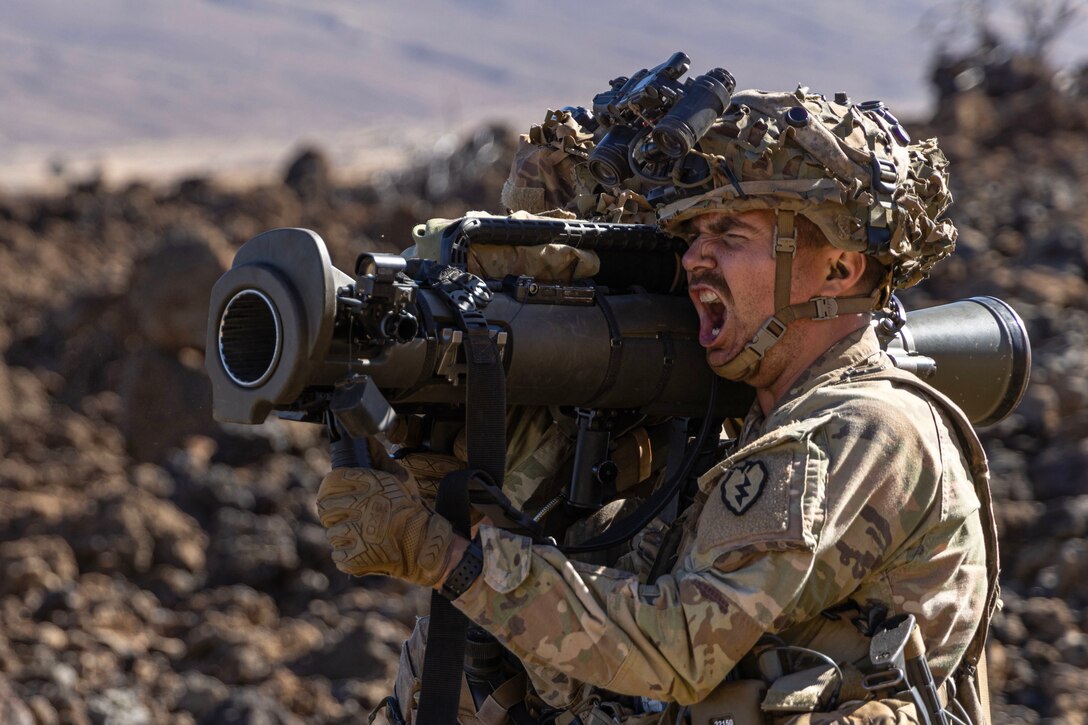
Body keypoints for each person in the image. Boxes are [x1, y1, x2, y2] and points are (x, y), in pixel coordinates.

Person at [315, 85, 998, 724]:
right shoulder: (733, 433)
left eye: (730, 236)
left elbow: (674, 647)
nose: (696, 260)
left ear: (841, 269)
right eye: (692, 236)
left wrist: (445, 555)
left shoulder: (860, 430)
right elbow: (589, 654)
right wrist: (493, 505)